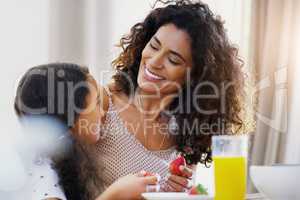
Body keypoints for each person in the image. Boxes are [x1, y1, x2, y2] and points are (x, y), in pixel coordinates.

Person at [87, 0, 245, 194]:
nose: (154, 62)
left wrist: (181, 192)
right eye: (154, 46)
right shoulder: (100, 103)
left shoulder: (188, 131)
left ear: (194, 77)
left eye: (173, 59)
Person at [14, 63, 159, 200]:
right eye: (96, 103)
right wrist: (115, 194)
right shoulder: (41, 168)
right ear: (69, 116)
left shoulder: (78, 158)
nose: (103, 113)